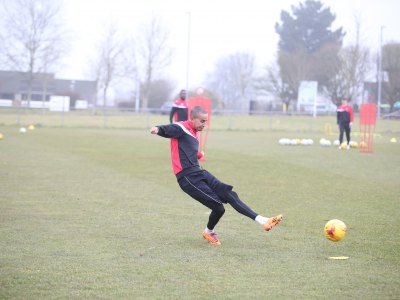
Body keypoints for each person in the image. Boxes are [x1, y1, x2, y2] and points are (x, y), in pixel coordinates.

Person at [150, 106, 283, 246]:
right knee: (219, 208)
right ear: (193, 118)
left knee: (230, 194)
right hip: (187, 178)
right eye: (202, 121)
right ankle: (208, 232)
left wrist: (199, 155)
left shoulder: (194, 133)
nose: (204, 124)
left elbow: (187, 151)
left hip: (199, 173)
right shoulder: (181, 128)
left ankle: (264, 221)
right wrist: (157, 129)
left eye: (206, 121)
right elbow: (168, 129)